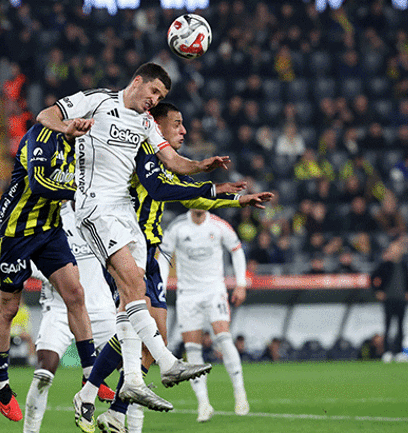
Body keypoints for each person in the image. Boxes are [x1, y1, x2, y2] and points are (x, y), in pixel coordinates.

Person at [37, 63, 229, 428]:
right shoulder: (98, 100)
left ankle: (121, 386)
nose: (154, 100)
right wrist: (66, 128)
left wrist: (202, 166)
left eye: (160, 97)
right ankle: (167, 362)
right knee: (132, 282)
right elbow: (46, 115)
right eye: (153, 92)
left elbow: (172, 160)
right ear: (137, 82)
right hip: (94, 207)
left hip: (126, 212)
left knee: (132, 296)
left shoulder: (144, 123)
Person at [78, 102, 272, 433]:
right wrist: (212, 187)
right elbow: (165, 189)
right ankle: (99, 399)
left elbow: (189, 197)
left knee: (151, 338)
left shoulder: (163, 162)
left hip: (150, 252)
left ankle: (111, 408)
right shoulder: (141, 153)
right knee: (141, 330)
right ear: (157, 126)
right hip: (125, 248)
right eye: (177, 123)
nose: (183, 130)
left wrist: (235, 200)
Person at [0, 122, 98, 422]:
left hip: (49, 228)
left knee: (75, 293)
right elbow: (38, 184)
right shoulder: (40, 136)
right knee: (8, 308)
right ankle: (0, 383)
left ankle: (91, 375)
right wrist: (78, 191)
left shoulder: (82, 146)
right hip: (15, 230)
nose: (86, 124)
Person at [23, 202, 117, 433]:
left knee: (133, 370)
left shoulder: (102, 214)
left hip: (101, 307)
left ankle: (128, 425)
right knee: (44, 373)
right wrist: (54, 272)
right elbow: (29, 260)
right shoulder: (52, 218)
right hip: (60, 307)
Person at [160, 208, 251, 422]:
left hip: (214, 291)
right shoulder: (177, 227)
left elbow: (237, 249)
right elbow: (163, 256)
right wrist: (161, 288)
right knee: (192, 349)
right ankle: (203, 403)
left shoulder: (219, 225)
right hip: (188, 294)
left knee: (224, 338)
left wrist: (241, 284)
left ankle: (240, 393)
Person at [370, 238, 408, 361]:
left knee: (400, 327)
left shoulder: (404, 265)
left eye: (397, 249)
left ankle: (399, 352)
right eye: (393, 249)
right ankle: (387, 352)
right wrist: (377, 291)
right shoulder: (385, 265)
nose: (396, 251)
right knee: (388, 327)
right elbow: (373, 277)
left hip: (401, 300)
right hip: (389, 300)